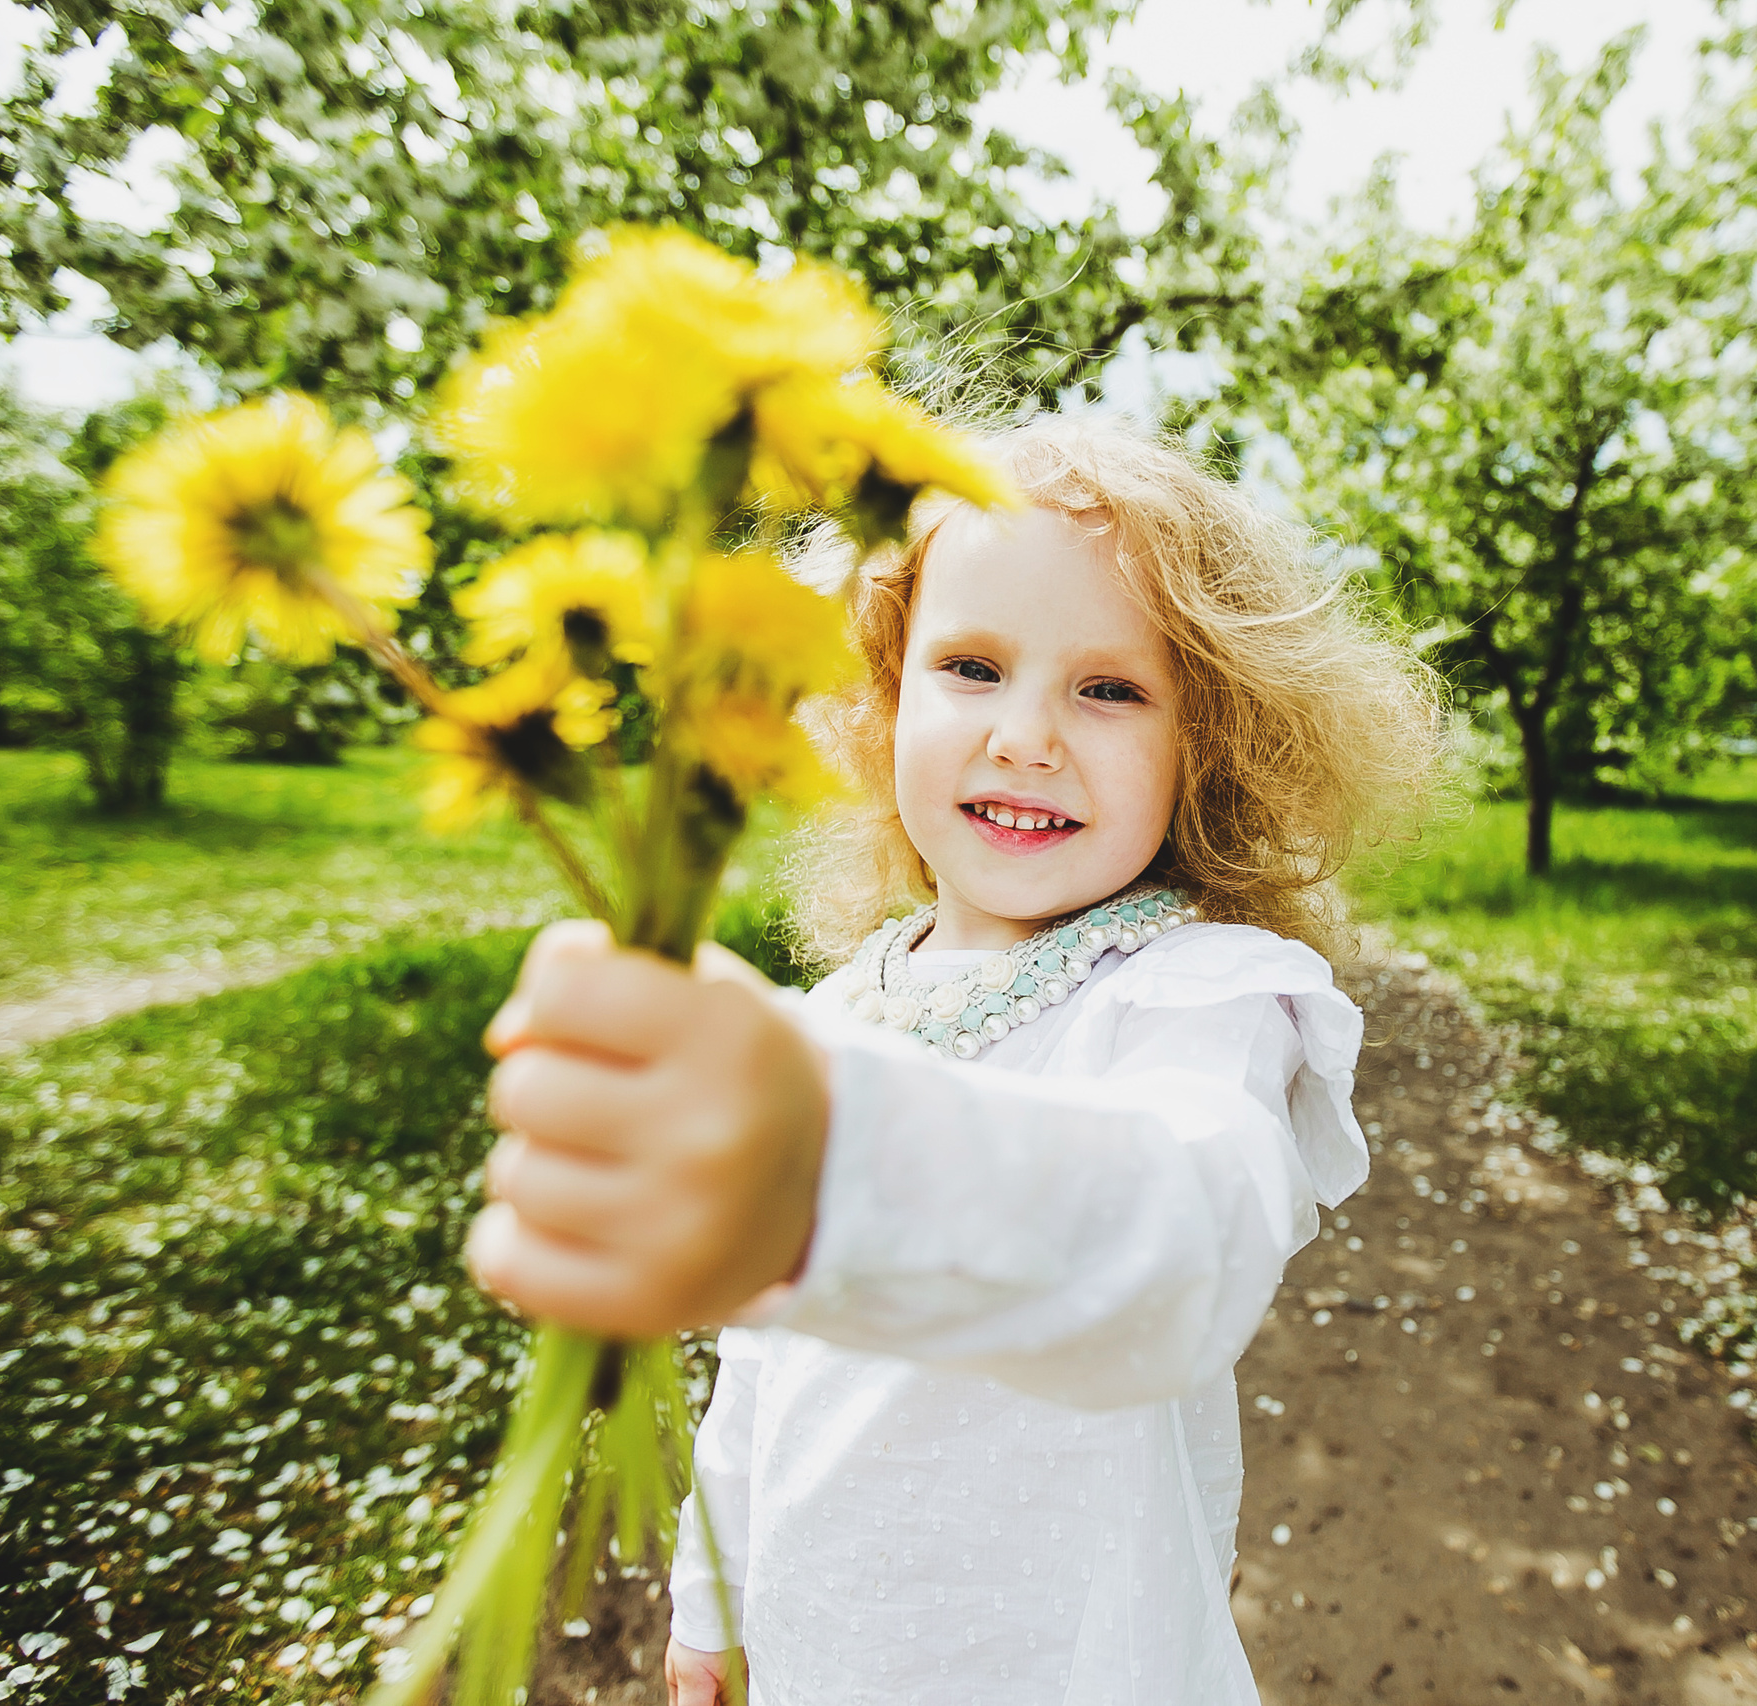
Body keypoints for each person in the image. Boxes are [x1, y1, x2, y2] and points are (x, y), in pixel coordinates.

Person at [467, 417, 1442, 1704]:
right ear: (884, 696)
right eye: (972, 666)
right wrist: (715, 1600)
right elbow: (763, 1362)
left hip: (1076, 1665)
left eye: (1110, 688)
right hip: (830, 1648)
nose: (1027, 734)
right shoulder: (838, 1010)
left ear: (1203, 741)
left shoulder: (1197, 994)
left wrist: (829, 1163)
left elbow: (1184, 1239)